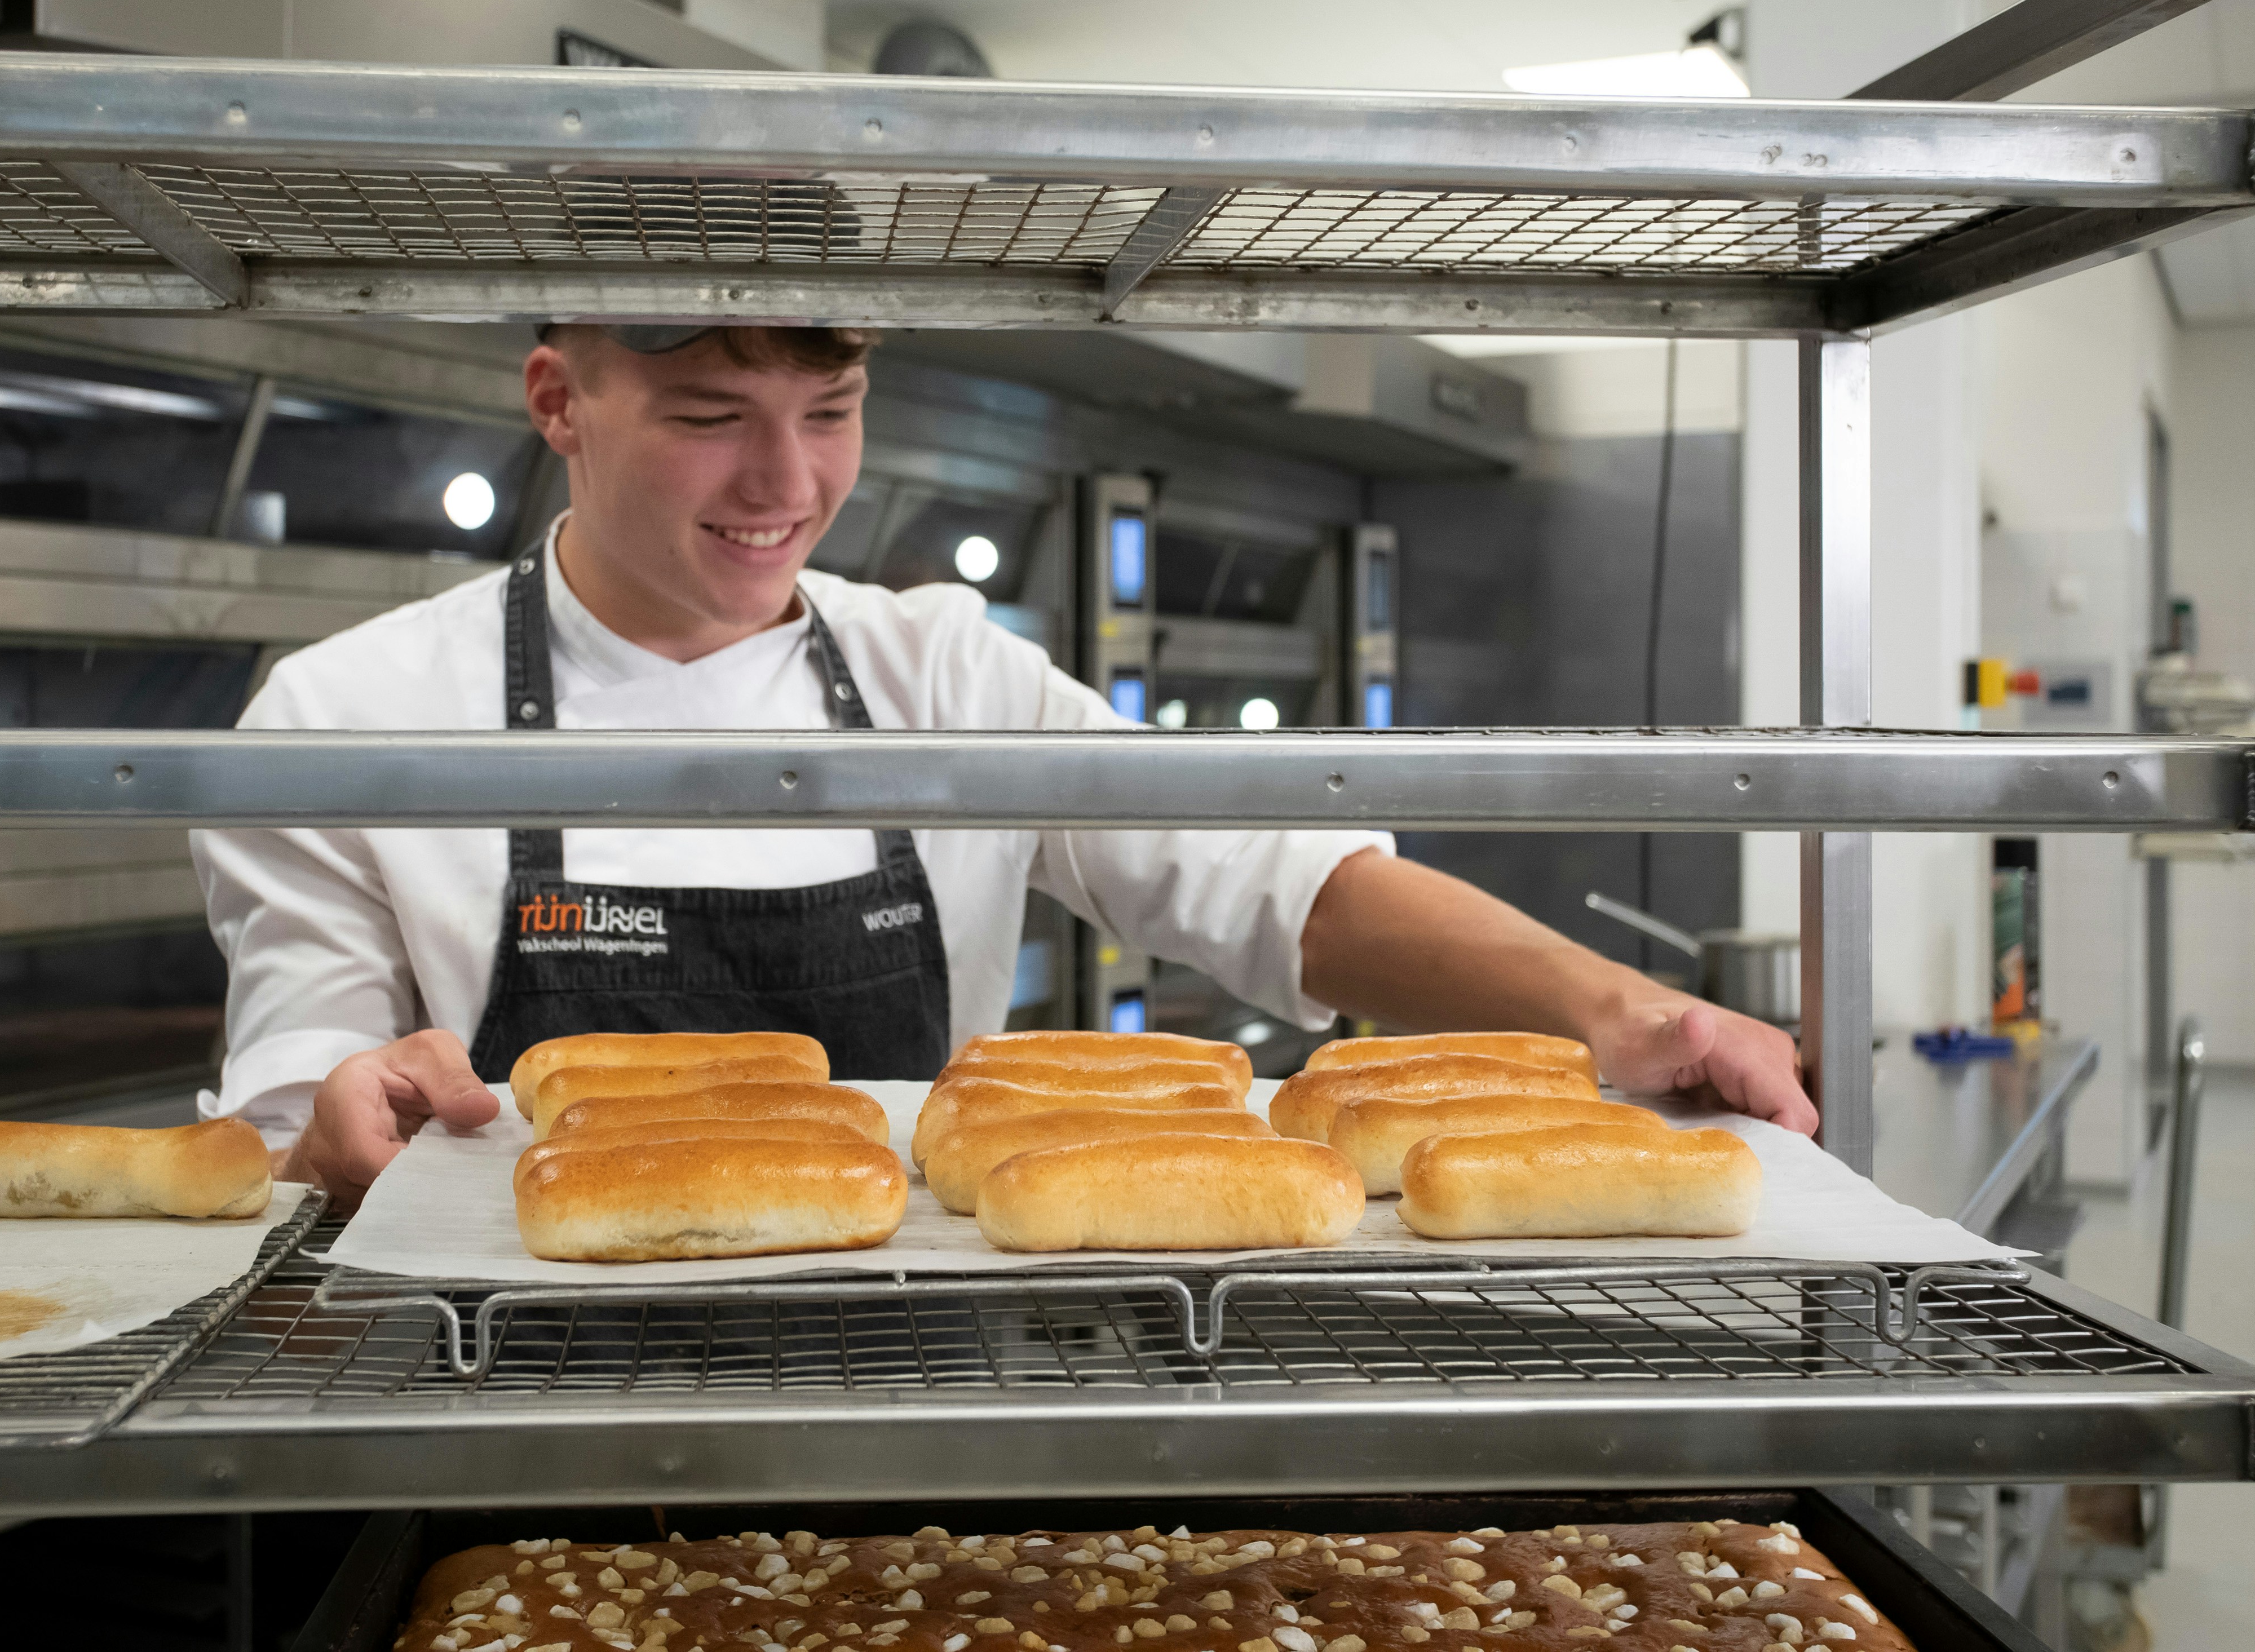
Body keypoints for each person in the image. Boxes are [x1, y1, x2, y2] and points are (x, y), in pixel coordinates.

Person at [193, 324, 1814, 1202]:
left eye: (830, 411)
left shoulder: (937, 672)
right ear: (559, 399)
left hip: (909, 1377)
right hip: (502, 1396)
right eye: (709, 415)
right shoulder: (347, 714)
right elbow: (297, 1103)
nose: (786, 480)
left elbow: (1280, 881)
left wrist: (1624, 1011)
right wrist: (326, 1126)